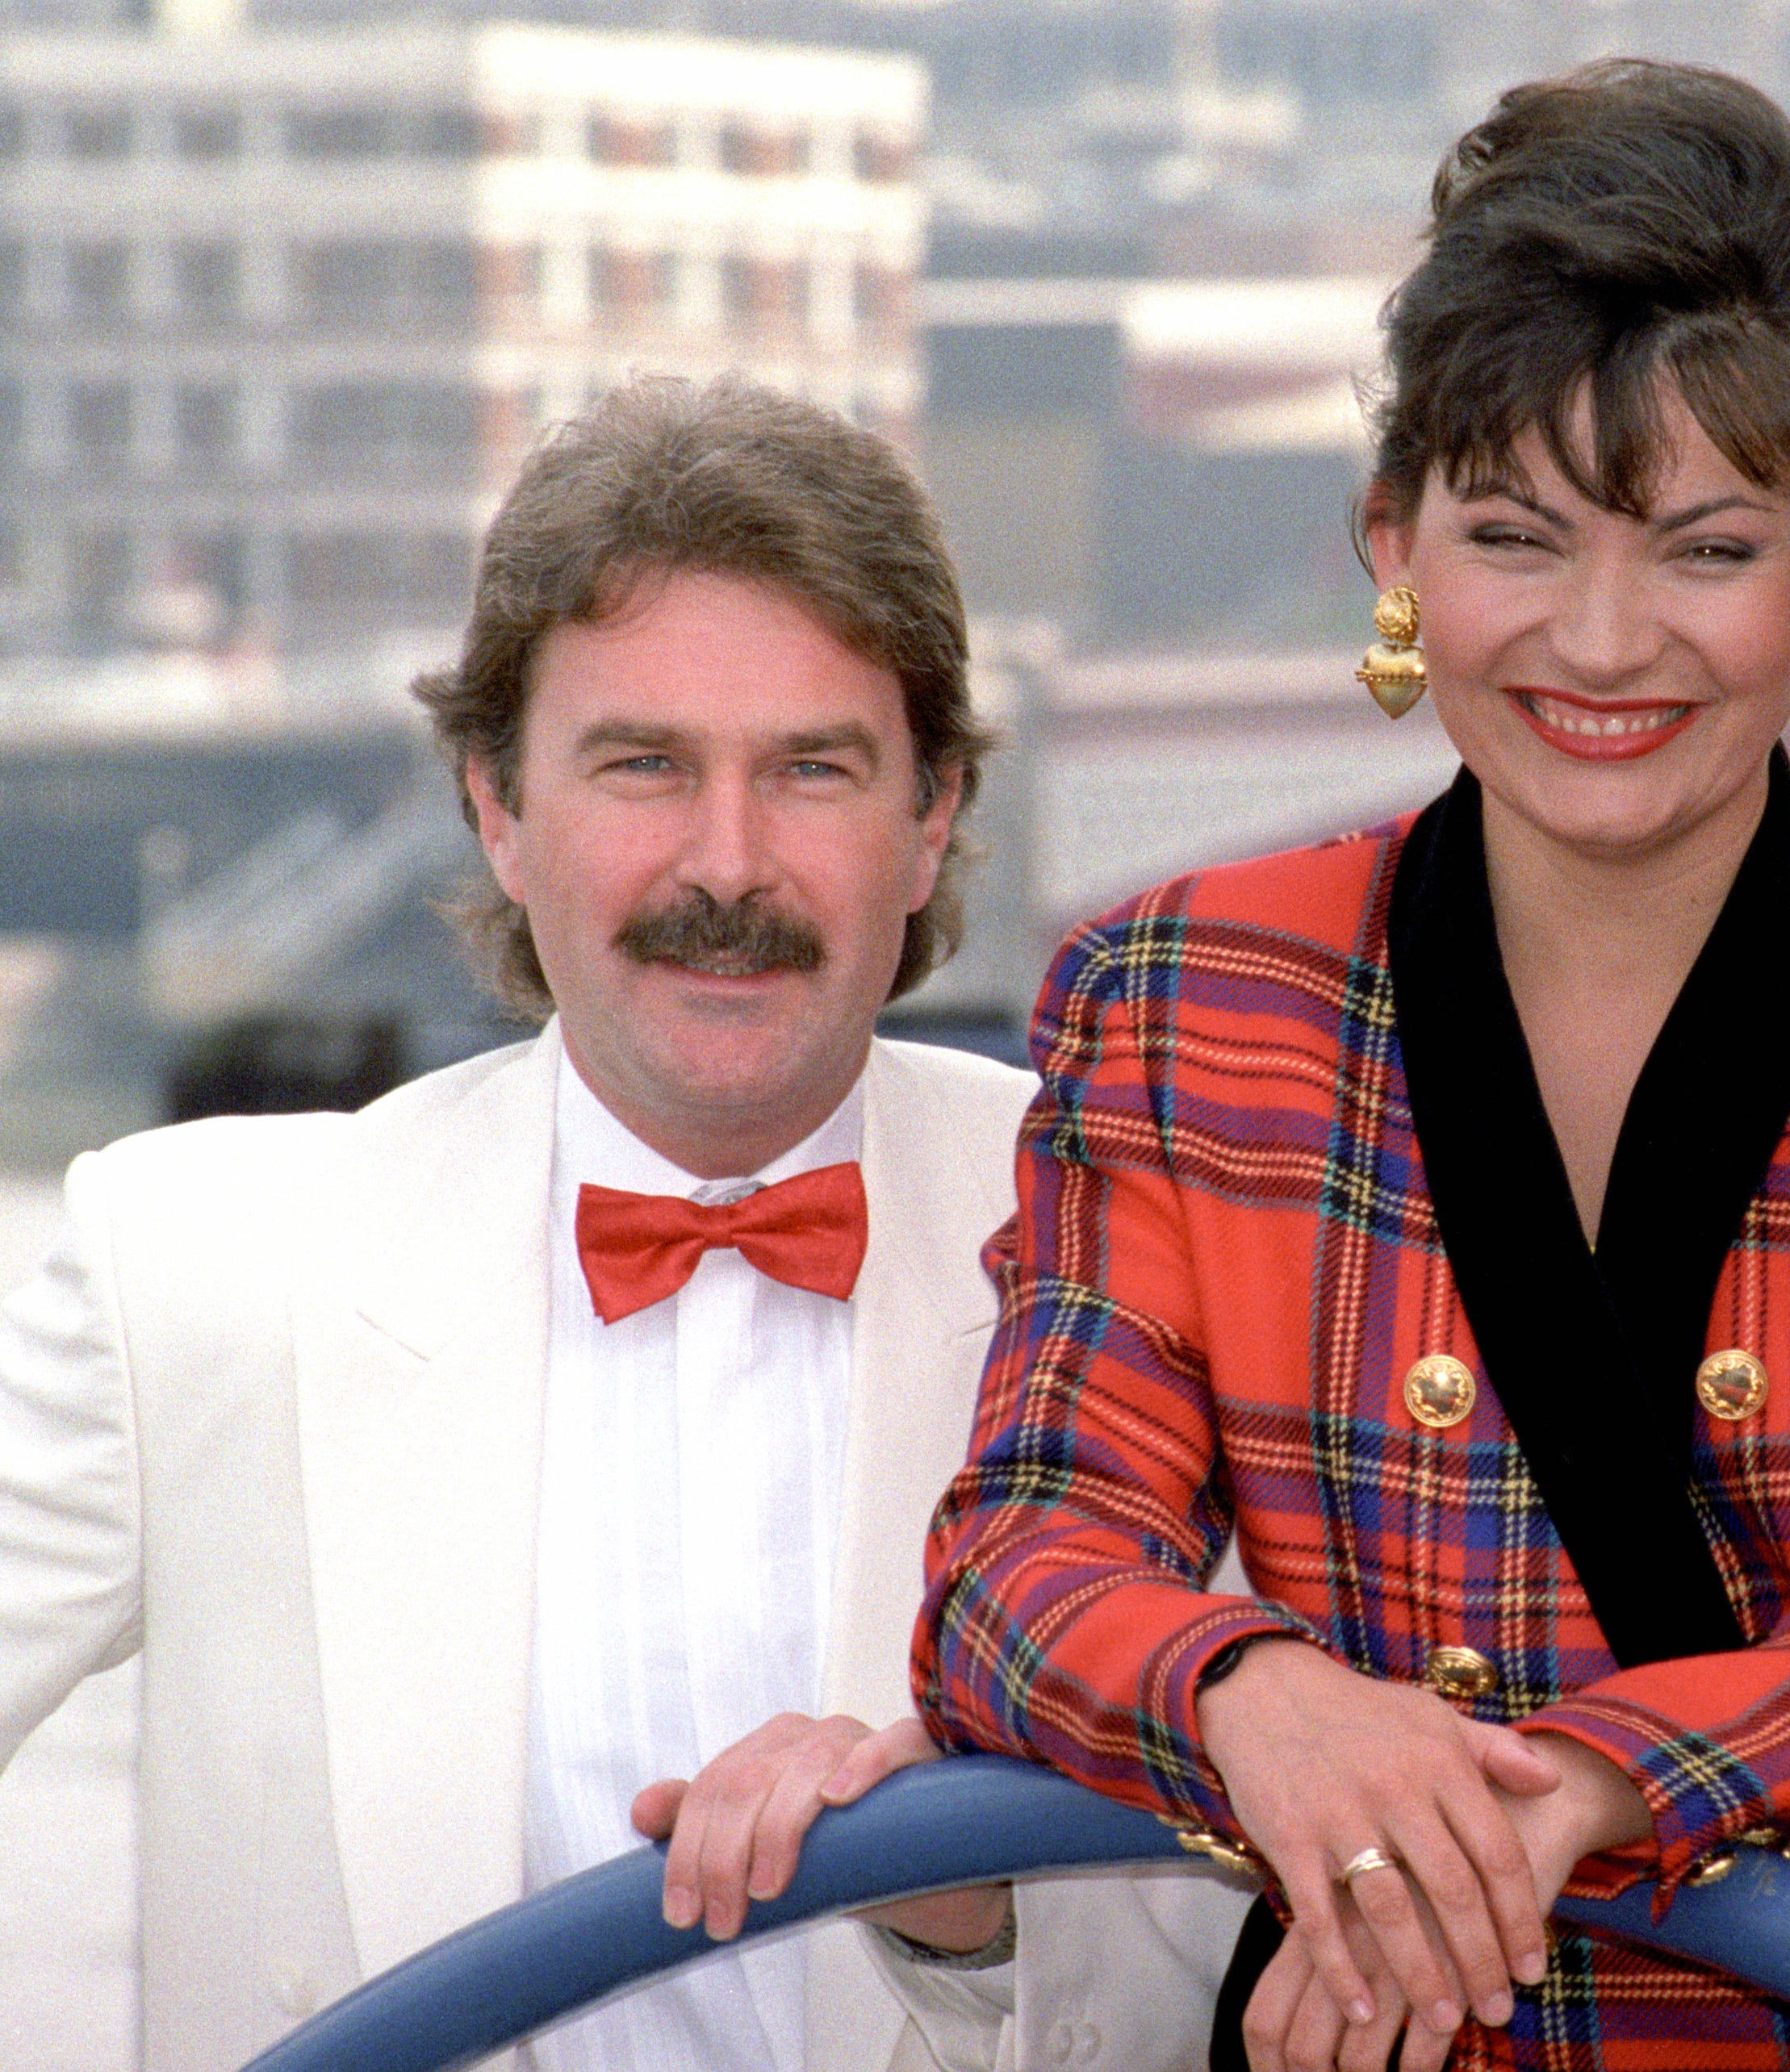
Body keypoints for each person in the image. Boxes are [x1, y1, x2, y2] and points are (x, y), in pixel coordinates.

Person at [909, 60, 1790, 2072]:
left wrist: (1529, 1811)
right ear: (1390, 543)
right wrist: (1264, 1704)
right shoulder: (1177, 994)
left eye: (1701, 550)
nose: (1601, 645)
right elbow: (1015, 1563)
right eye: (1516, 538)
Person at [0, 377, 1243, 2070]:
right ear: (498, 809)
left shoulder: (1150, 1229)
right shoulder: (191, 1269)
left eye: (811, 768)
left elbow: (1272, 1924)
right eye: (643, 764)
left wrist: (967, 1908)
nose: (722, 865)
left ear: (933, 811)